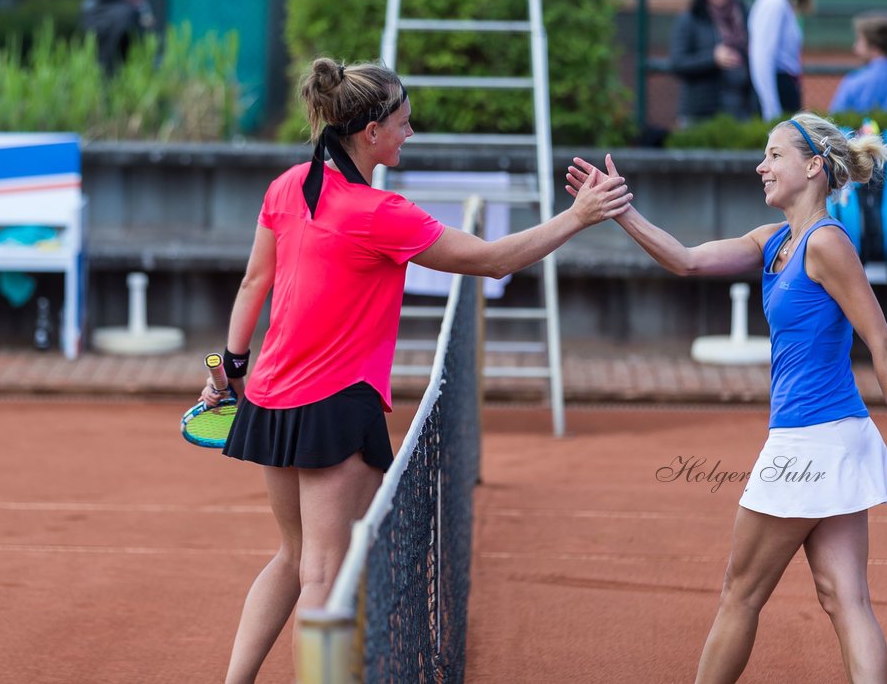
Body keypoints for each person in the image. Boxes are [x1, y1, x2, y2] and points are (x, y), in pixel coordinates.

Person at [201, 57, 630, 683]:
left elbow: (253, 281)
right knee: (322, 570)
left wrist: (224, 369)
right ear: (370, 132)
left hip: (267, 397)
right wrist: (577, 217)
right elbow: (491, 261)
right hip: (332, 408)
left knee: (295, 557)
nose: (410, 132)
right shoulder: (381, 213)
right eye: (403, 122)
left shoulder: (287, 185)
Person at [566, 112, 887, 684]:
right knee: (845, 600)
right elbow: (686, 260)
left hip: (809, 444)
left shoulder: (827, 244)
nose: (760, 166)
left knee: (739, 594)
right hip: (834, 442)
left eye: (774, 156)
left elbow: (882, 343)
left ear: (814, 168)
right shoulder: (773, 242)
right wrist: (620, 209)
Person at [669, 0, 757, 127]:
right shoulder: (690, 19)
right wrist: (713, 58)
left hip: (741, 109)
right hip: (701, 112)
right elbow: (678, 63)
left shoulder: (746, 14)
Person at [749, 0, 814, 122]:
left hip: (785, 87)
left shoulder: (782, 2)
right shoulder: (774, 2)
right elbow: (762, 57)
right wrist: (771, 108)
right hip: (777, 89)